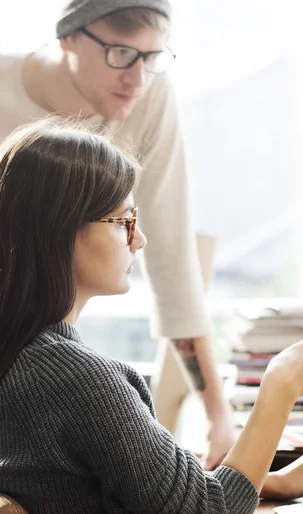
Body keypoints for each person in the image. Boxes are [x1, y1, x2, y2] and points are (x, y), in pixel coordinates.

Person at [0, 118, 303, 513]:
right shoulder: (78, 381)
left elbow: (102, 489)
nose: (140, 240)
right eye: (124, 222)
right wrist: (280, 388)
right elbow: (208, 510)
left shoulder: (23, 357)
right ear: (60, 231)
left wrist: (267, 482)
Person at [0, 0, 236, 468]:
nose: (138, 78)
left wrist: (217, 416)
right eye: (121, 54)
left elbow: (170, 257)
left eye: (153, 58)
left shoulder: (150, 94)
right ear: (67, 37)